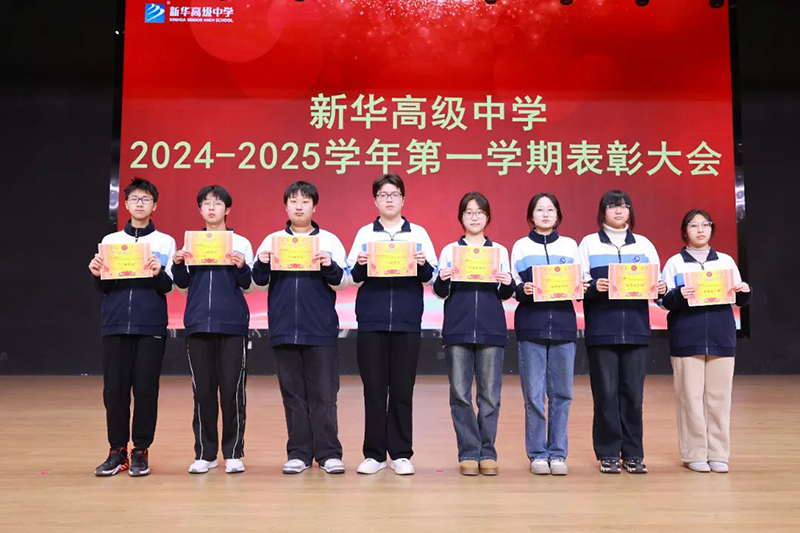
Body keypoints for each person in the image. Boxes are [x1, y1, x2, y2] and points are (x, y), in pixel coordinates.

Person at [252, 181, 349, 475]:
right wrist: (263, 262)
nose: (298, 206)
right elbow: (257, 283)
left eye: (305, 201)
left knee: (324, 394)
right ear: (285, 206)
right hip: (284, 328)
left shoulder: (329, 241)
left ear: (314, 207)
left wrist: (329, 265)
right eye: (293, 201)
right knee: (292, 394)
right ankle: (299, 453)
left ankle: (329, 453)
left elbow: (343, 282)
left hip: (320, 329)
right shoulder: (272, 241)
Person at [347, 174, 437, 476]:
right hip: (371, 320)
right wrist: (361, 264)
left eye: (394, 194)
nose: (389, 199)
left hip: (407, 320)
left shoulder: (419, 233)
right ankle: (373, 454)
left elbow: (432, 278)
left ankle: (400, 453)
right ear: (375, 201)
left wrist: (423, 264)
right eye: (383, 195)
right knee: (373, 389)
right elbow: (351, 277)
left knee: (402, 389)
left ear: (403, 200)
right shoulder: (364, 233)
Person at [88, 177, 176, 477]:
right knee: (114, 391)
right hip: (115, 324)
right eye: (135, 199)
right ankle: (117, 450)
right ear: (125, 204)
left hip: (150, 325)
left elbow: (168, 285)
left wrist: (158, 272)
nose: (140, 204)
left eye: (146, 199)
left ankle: (140, 450)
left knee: (146, 389)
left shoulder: (165, 242)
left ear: (155, 205)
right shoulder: (111, 241)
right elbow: (103, 287)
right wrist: (96, 274)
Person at [578, 190, 667, 474]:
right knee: (605, 394)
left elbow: (658, 284)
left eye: (624, 206)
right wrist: (594, 287)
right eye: (612, 206)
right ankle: (607, 453)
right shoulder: (589, 243)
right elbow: (578, 285)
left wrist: (661, 288)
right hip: (602, 330)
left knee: (633, 395)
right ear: (602, 212)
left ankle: (633, 454)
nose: (619, 211)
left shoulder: (643, 244)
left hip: (637, 330)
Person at [171, 185, 254, 474]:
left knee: (232, 392)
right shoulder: (191, 243)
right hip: (197, 324)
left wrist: (241, 267)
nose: (211, 208)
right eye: (205, 203)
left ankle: (233, 452)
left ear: (227, 209)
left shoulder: (240, 243)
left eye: (217, 204)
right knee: (203, 392)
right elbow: (182, 285)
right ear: (200, 209)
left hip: (232, 325)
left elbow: (248, 284)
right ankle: (205, 453)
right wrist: (178, 264)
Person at [662, 209, 751, 473]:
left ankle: (719, 454)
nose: (700, 230)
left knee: (719, 399)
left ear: (712, 229)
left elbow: (739, 299)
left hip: (721, 337)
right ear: (685, 231)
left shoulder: (725, 261)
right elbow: (663, 301)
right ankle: (694, 453)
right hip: (686, 338)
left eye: (705, 225)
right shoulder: (675, 263)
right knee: (689, 398)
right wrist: (679, 294)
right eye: (694, 225)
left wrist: (745, 292)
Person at [433, 192, 514, 476]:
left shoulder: (499, 251)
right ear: (461, 217)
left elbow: (505, 293)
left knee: (490, 396)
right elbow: (440, 292)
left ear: (487, 217)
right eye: (469, 212)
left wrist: (508, 282)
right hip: (458, 329)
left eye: (479, 212)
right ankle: (469, 451)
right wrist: (442, 278)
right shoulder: (450, 251)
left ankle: (487, 451)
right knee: (460, 393)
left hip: (492, 330)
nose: (474, 217)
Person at [510, 192, 581, 476]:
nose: (545, 214)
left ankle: (558, 453)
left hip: (564, 326)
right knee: (534, 395)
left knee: (562, 394)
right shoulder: (521, 246)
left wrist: (580, 286)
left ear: (558, 215)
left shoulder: (570, 245)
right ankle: (538, 454)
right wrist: (523, 290)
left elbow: (579, 282)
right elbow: (513, 286)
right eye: (540, 210)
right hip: (531, 326)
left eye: (550, 210)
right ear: (531, 216)